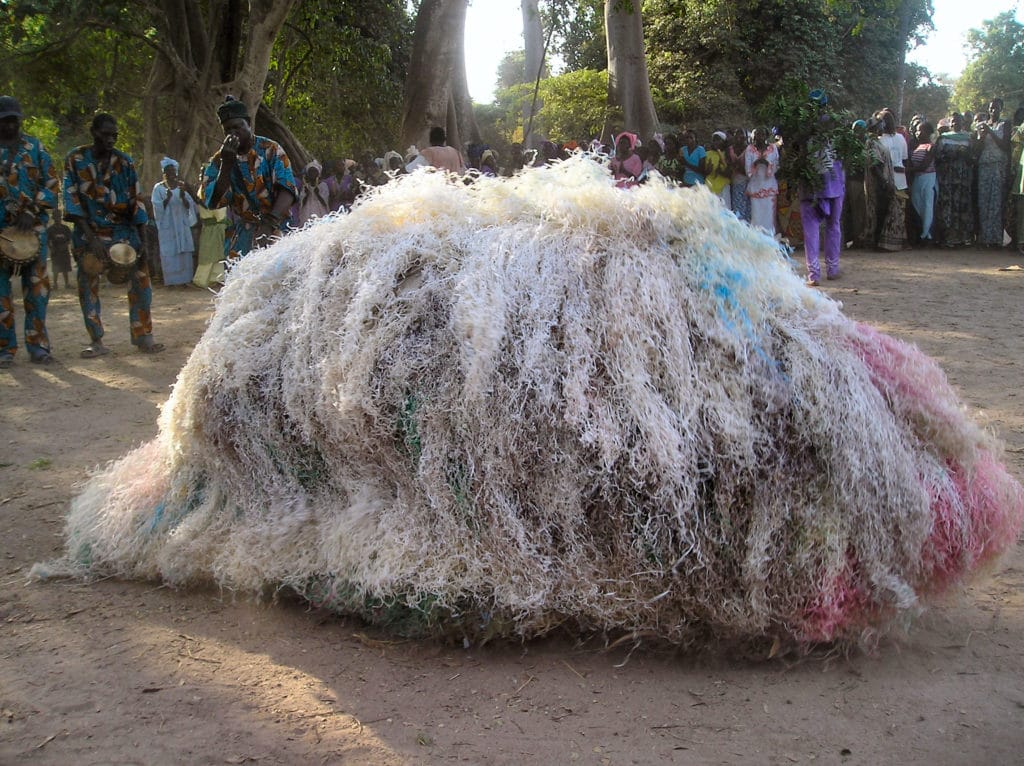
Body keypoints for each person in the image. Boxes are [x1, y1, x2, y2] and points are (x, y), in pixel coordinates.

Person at [64, 112, 163, 357]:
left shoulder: (125, 162)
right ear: (94, 133)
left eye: (114, 135)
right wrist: (92, 239)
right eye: (106, 134)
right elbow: (72, 202)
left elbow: (136, 204)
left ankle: (144, 336)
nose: (111, 139)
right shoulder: (75, 159)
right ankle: (96, 340)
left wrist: (142, 240)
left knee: (141, 280)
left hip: (124, 232)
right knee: (88, 283)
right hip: (90, 233)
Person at [199, 96, 297, 262]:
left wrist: (269, 223)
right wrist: (226, 165)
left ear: (249, 125)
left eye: (238, 127)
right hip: (245, 231)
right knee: (238, 279)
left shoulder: (271, 149)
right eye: (228, 130)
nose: (233, 133)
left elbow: (287, 190)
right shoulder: (219, 160)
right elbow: (212, 201)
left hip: (277, 225)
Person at [0, 95, 58, 367]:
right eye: (5, 121)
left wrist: (31, 211)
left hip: (33, 230)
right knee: (0, 296)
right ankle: (4, 349)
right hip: (1, 232)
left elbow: (52, 184)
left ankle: (38, 347)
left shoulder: (35, 147)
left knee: (37, 291)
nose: (10, 126)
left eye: (14, 120)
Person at [798, 126, 845, 286]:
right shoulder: (838, 140)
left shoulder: (801, 141)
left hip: (810, 191)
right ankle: (832, 269)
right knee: (833, 227)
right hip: (834, 188)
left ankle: (814, 274)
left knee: (811, 231)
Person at [151, 156, 198, 286]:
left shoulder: (181, 186)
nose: (171, 174)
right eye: (168, 171)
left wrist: (183, 197)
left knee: (184, 252)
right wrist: (166, 199)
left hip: (181, 224)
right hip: (168, 225)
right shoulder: (158, 188)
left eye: (173, 171)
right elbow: (156, 206)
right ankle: (171, 281)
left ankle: (185, 280)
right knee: (169, 251)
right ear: (164, 173)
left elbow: (190, 206)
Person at [934, 112, 975, 248]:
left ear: (962, 123)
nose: (954, 123)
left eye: (957, 121)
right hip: (947, 179)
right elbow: (938, 157)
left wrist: (966, 153)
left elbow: (972, 160)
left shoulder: (968, 138)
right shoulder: (943, 138)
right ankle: (947, 237)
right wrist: (954, 153)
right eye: (952, 121)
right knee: (947, 204)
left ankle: (961, 237)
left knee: (962, 205)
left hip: (963, 179)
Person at [975, 98, 1010, 247]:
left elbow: (1005, 145)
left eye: (996, 108)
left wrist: (991, 133)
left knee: (995, 201)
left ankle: (995, 239)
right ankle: (984, 238)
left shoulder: (1004, 124)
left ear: (1001, 109)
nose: (993, 111)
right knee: (983, 201)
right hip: (984, 165)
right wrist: (981, 138)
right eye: (990, 108)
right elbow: (977, 149)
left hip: (998, 165)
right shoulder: (982, 125)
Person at [876, 110, 908, 251]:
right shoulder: (878, 140)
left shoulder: (900, 138)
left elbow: (905, 159)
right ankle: (883, 243)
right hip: (886, 179)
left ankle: (897, 242)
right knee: (884, 211)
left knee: (899, 212)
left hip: (900, 179)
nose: (887, 124)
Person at [863, 116, 895, 250]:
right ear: (876, 127)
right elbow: (875, 165)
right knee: (878, 210)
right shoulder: (872, 142)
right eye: (881, 125)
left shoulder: (876, 142)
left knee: (880, 210)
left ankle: (876, 240)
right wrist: (885, 182)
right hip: (878, 183)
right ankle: (875, 241)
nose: (883, 127)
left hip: (881, 181)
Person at [745, 126, 779, 234]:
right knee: (756, 215)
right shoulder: (749, 149)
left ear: (767, 136)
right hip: (755, 187)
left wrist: (767, 164)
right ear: (754, 136)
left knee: (769, 215)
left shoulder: (773, 148)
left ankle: (769, 240)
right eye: (757, 134)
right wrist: (755, 164)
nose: (760, 137)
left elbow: (777, 166)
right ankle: (757, 241)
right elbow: (747, 170)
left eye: (762, 134)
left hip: (769, 187)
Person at [907, 121, 937, 244]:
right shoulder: (917, 146)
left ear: (929, 132)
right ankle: (921, 234)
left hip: (927, 179)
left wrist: (906, 170)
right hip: (918, 180)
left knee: (927, 207)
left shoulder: (931, 147)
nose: (918, 133)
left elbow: (924, 166)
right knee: (917, 205)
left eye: (921, 130)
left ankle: (927, 235)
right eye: (917, 130)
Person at [294, 160, 331, 226]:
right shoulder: (305, 186)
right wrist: (306, 194)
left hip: (320, 211)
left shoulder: (323, 185)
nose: (312, 173)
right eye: (311, 171)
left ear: (318, 173)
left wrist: (317, 193)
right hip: (307, 211)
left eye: (314, 171)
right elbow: (302, 202)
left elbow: (325, 201)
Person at [46, 206, 73, 289]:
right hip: (55, 250)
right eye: (56, 216)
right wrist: (52, 248)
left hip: (64, 250)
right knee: (55, 268)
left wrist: (65, 246)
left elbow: (69, 239)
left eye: (59, 216)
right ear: (53, 218)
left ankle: (67, 284)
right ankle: (55, 284)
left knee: (65, 268)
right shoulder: (50, 229)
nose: (57, 218)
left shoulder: (66, 228)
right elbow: (47, 241)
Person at [704, 131, 732, 209]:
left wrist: (720, 171)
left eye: (718, 140)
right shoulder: (707, 154)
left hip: (723, 188)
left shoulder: (727, 154)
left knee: (725, 212)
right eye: (714, 140)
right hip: (710, 187)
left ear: (724, 141)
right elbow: (704, 173)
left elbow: (730, 174)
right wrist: (708, 170)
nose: (715, 142)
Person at [729, 129, 750, 221]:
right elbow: (728, 164)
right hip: (735, 182)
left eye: (741, 134)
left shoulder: (749, 149)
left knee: (748, 207)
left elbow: (750, 167)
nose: (739, 136)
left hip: (747, 181)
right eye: (737, 133)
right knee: (737, 208)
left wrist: (738, 168)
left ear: (745, 137)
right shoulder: (730, 149)